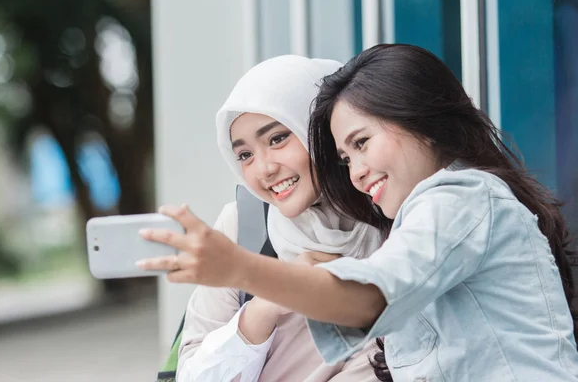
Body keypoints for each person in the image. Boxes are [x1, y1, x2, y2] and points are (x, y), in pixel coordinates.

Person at [138, 44, 578, 381]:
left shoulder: (454, 202)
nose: (357, 171)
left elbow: (370, 298)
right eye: (345, 157)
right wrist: (258, 299)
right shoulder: (245, 225)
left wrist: (243, 270)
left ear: (418, 121)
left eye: (361, 143)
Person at [156, 55, 382, 381]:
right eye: (245, 155)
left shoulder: (390, 222)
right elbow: (192, 375)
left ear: (321, 130)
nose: (264, 169)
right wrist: (272, 297)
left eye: (277, 138)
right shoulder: (244, 225)